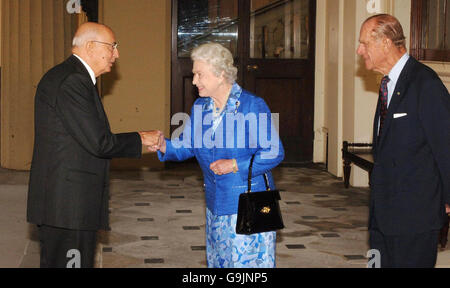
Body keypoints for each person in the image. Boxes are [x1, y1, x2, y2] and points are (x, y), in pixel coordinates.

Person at [27, 22, 161, 268]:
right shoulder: (72, 81)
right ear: (90, 46)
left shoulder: (72, 77)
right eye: (112, 47)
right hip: (67, 207)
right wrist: (141, 138)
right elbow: (99, 142)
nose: (116, 54)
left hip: (68, 205)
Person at [151, 43, 284, 268]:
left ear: (221, 74)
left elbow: (274, 152)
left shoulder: (252, 105)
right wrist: (163, 145)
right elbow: (188, 145)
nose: (194, 81)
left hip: (248, 205)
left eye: (199, 74)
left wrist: (234, 164)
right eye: (194, 74)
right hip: (215, 205)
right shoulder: (201, 107)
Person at [357, 14, 450, 268]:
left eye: (364, 43)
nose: (359, 50)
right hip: (382, 215)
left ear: (385, 43)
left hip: (414, 219)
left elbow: (446, 147)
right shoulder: (388, 83)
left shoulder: (425, 84)